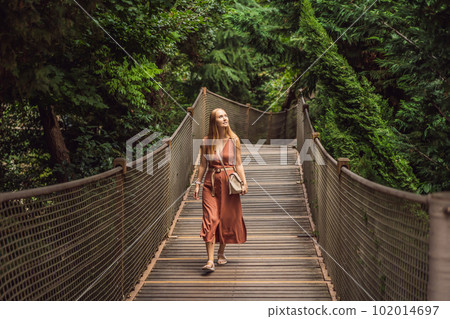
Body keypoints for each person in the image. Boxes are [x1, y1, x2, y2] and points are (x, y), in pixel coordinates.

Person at [193, 108, 248, 272]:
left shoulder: (234, 139)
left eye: (226, 115)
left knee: (226, 218)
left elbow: (238, 163)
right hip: (211, 184)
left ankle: (221, 253)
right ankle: (210, 261)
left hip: (229, 184)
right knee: (211, 218)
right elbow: (203, 164)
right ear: (214, 121)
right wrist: (197, 183)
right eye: (220, 116)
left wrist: (244, 183)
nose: (225, 118)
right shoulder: (207, 140)